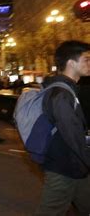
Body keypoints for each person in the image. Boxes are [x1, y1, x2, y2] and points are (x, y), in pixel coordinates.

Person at [35, 40, 90, 215]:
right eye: (87, 59)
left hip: (76, 165)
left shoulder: (68, 89)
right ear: (71, 63)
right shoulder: (61, 94)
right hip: (63, 168)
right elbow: (73, 135)